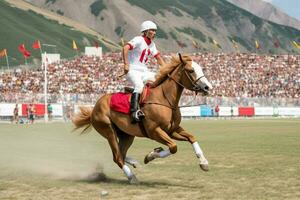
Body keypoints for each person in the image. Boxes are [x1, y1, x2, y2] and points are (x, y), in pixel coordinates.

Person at [122, 20, 165, 123]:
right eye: (152, 31)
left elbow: (158, 58)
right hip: (132, 70)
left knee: (159, 80)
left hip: (144, 71)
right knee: (139, 86)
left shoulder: (152, 45)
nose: (154, 33)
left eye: (155, 31)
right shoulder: (138, 39)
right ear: (145, 31)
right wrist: (126, 64)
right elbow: (125, 47)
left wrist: (167, 69)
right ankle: (134, 112)